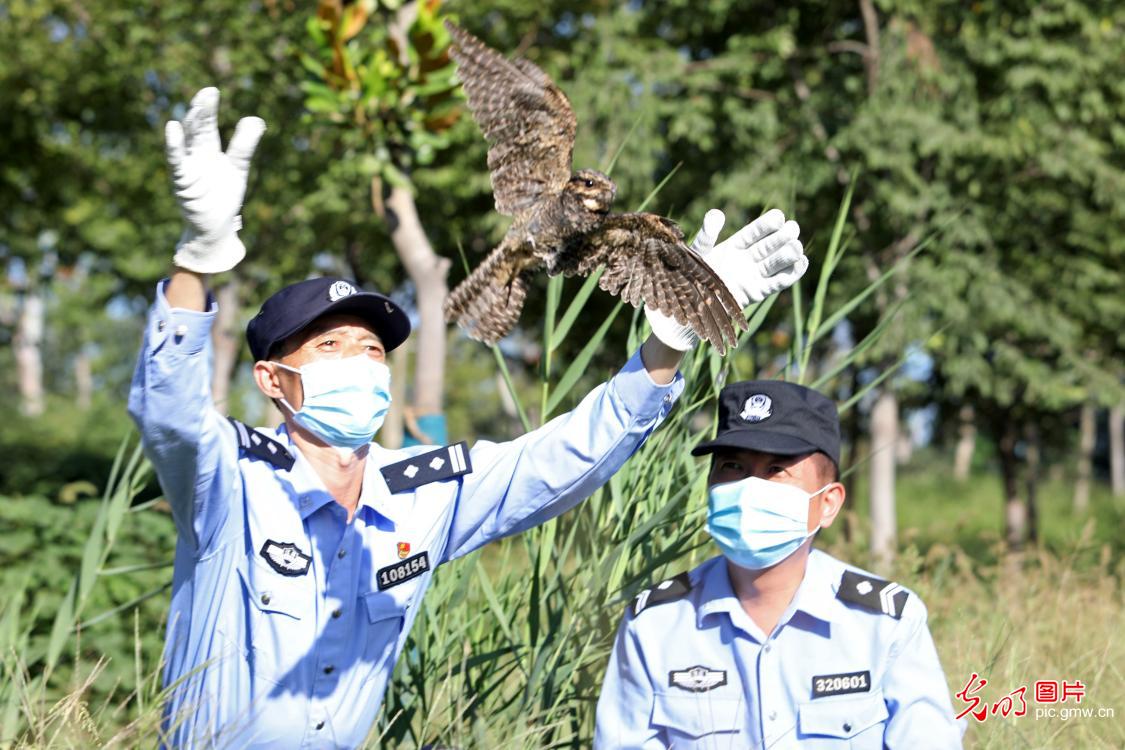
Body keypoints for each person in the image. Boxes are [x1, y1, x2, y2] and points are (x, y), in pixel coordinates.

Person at [129, 86, 810, 748]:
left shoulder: (420, 496)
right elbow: (171, 414)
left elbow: (563, 459)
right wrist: (196, 261)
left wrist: (666, 342)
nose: (358, 361)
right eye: (329, 345)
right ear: (274, 380)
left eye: (371, 349)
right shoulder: (228, 481)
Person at [594, 380, 964, 748]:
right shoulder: (656, 625)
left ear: (829, 503)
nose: (750, 487)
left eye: (776, 470)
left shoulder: (884, 625)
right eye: (733, 466)